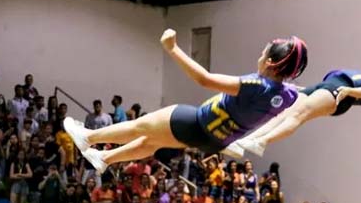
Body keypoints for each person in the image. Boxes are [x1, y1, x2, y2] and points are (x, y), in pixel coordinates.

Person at [64, 29, 306, 171]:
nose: (260, 55)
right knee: (151, 141)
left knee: (140, 126)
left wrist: (172, 49)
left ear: (271, 63)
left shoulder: (257, 86)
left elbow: (205, 79)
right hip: (212, 141)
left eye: (263, 53)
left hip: (196, 121)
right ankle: (105, 158)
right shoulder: (287, 95)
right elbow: (303, 92)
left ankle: (88, 137)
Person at [226, 69, 361, 157]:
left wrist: (349, 92)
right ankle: (246, 141)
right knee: (283, 112)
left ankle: (262, 141)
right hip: (329, 85)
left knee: (298, 115)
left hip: (339, 93)